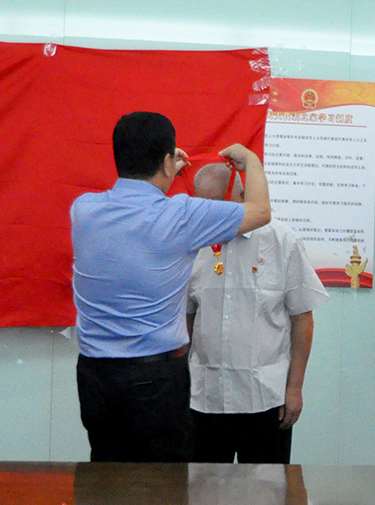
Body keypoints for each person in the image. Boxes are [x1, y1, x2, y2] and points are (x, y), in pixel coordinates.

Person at [71, 112, 270, 462]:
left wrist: (163, 172)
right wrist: (251, 160)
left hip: (95, 376)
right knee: (162, 483)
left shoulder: (83, 211)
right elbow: (259, 211)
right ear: (166, 162)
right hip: (155, 379)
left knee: (104, 475)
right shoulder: (182, 215)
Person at [186, 163, 329, 463]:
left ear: (242, 197)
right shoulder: (191, 242)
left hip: (266, 400)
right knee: (203, 489)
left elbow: (302, 319)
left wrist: (295, 389)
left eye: (218, 204)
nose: (211, 215)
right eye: (203, 205)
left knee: (268, 490)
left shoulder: (282, 241)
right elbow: (187, 316)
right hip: (205, 399)